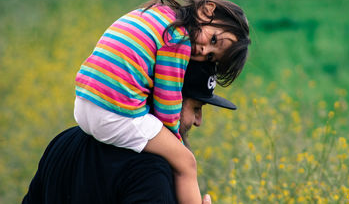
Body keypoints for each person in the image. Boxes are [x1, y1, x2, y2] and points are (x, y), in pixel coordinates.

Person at [74, 0, 250, 203]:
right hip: (113, 115)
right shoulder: (178, 40)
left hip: (84, 102)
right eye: (213, 39)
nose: (203, 50)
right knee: (186, 164)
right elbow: (168, 106)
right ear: (207, 10)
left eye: (210, 56)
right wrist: (176, 145)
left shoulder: (158, 13)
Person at [22, 60, 237, 204]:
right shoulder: (150, 171)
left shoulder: (63, 143)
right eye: (196, 108)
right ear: (167, 100)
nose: (198, 121)